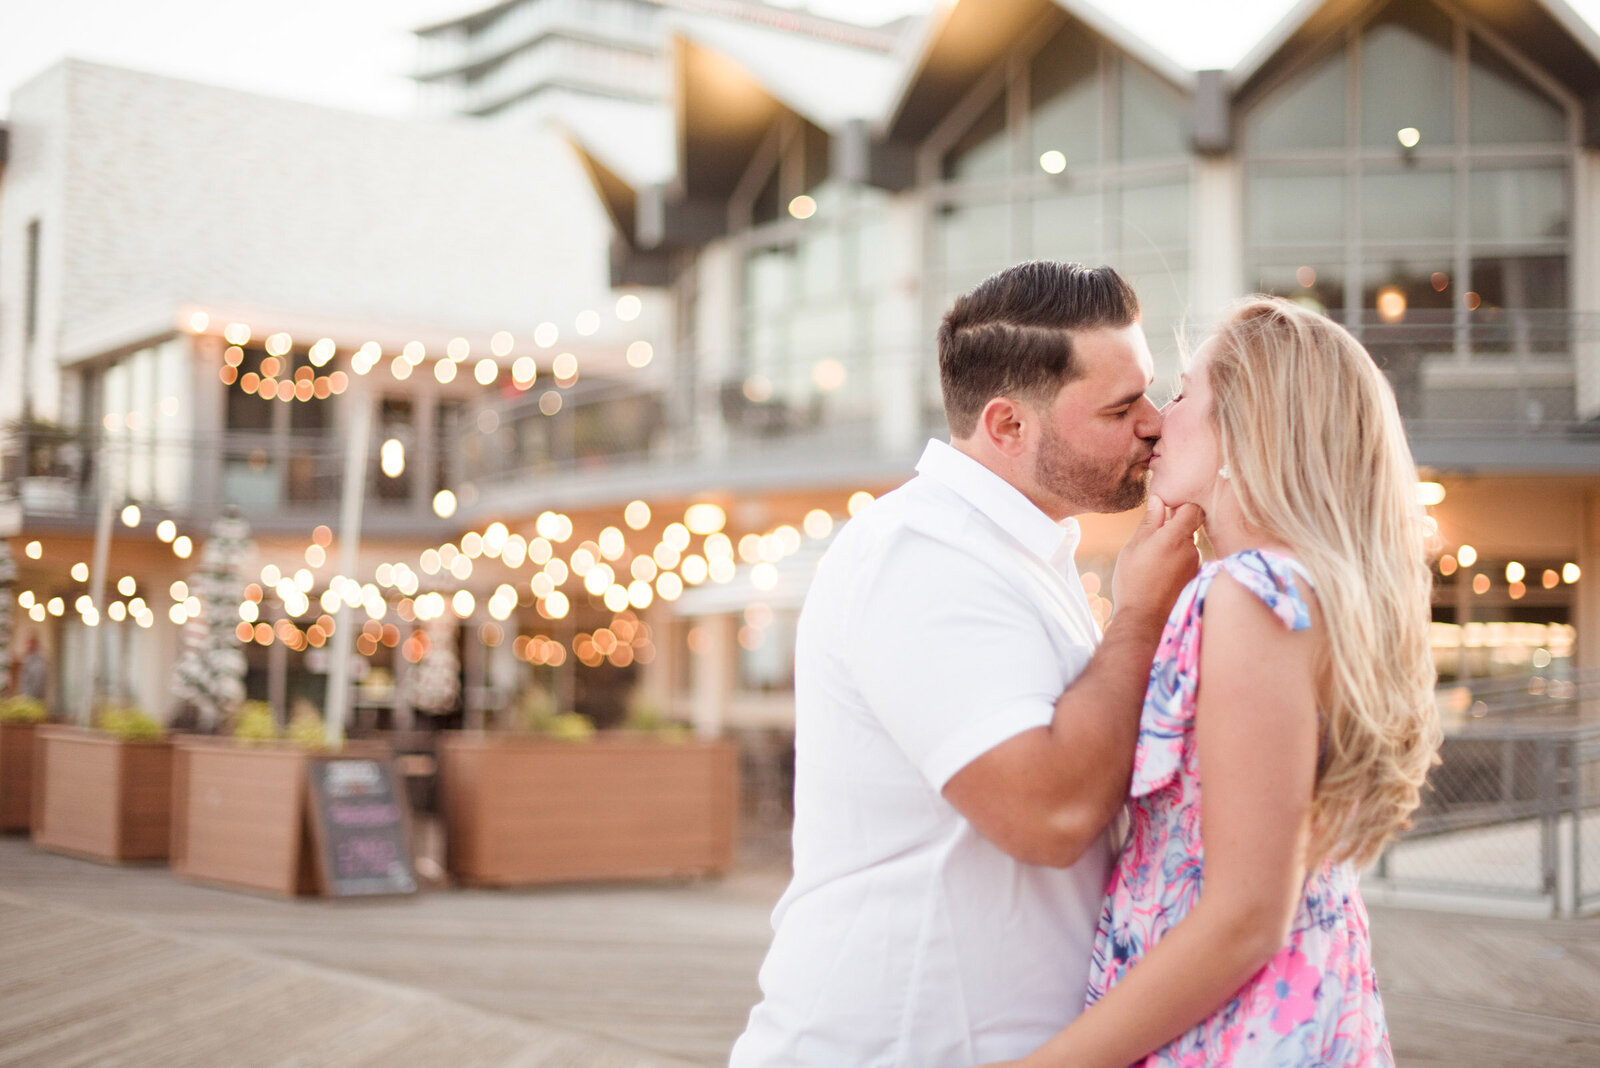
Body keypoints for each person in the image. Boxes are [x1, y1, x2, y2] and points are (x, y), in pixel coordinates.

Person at [730, 261, 1203, 1066]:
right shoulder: (922, 555)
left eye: (1150, 395)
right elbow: (1045, 814)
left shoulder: (1017, 552)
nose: (1155, 424)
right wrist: (1142, 614)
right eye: (1122, 407)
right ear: (1008, 425)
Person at [984, 297, 1441, 1067]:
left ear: (1252, 426)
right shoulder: (1297, 591)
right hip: (1285, 1010)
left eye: (1188, 392)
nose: (1159, 420)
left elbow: (1244, 917)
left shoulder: (1253, 595)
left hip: (1238, 1030)